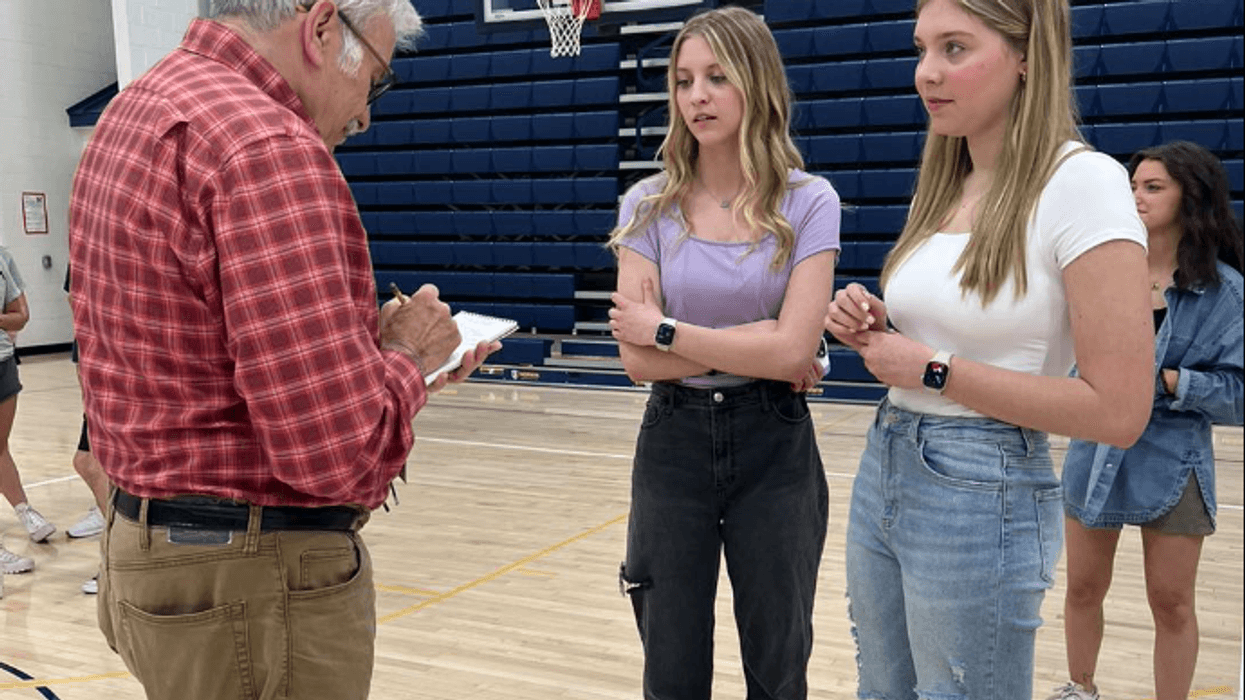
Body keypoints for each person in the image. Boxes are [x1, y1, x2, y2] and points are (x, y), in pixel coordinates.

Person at [68, 1, 496, 697]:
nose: (364, 114)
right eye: (375, 80)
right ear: (322, 27)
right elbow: (334, 454)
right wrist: (410, 361)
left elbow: (195, 345)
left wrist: (362, 353)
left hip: (150, 555)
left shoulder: (134, 110)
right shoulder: (268, 147)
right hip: (252, 582)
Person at [824, 0, 1156, 697]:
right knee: (880, 688)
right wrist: (878, 325)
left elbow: (1120, 410)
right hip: (886, 461)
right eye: (920, 49)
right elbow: (956, 331)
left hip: (981, 487)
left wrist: (933, 369)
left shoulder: (1083, 182)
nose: (924, 73)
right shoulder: (948, 180)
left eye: (953, 49)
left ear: (1026, 53)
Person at [607, 7, 840, 698]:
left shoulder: (808, 202)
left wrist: (669, 330)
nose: (696, 96)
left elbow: (797, 347)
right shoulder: (645, 206)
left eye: (716, 77)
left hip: (774, 443)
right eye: (682, 81)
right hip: (671, 441)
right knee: (670, 665)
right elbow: (637, 362)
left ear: (756, 85)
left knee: (778, 660)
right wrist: (762, 345)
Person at [1050, 141, 1244, 700]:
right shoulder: (1099, 274)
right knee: (1083, 588)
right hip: (1096, 447)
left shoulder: (1225, 292)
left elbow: (1238, 393)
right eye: (1132, 185)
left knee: (1172, 601)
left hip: (1175, 458)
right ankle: (1079, 688)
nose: (1136, 196)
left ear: (1192, 197)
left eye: (1153, 187)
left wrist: (1171, 383)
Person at [1, 244, 57, 579]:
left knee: (0, 446)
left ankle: (24, 512)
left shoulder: (3, 257)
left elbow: (20, 315)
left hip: (4, 362)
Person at [62, 264, 110, 595]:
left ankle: (116, 563)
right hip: (96, 355)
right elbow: (74, 298)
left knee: (96, 465)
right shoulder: (87, 236)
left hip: (112, 360)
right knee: (86, 462)